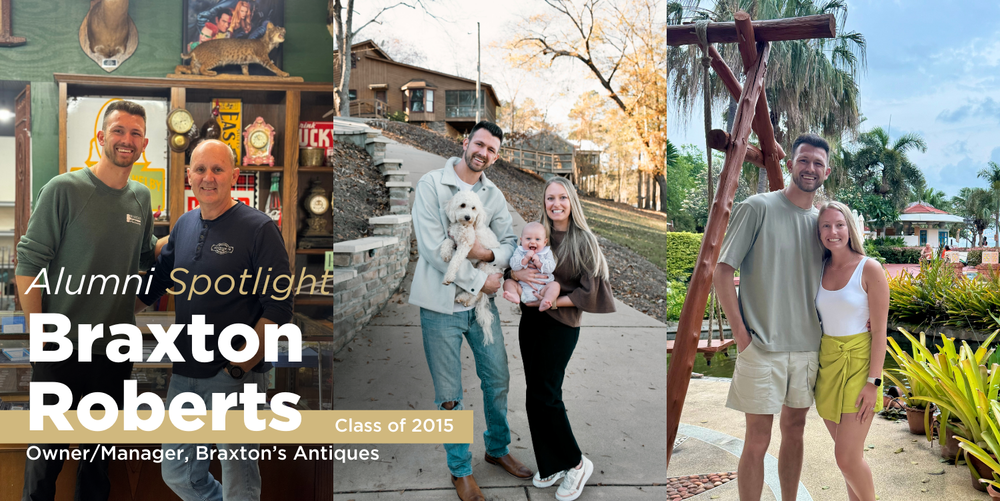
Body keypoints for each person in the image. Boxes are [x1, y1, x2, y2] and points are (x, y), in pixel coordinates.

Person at [15, 100, 158, 501]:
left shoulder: (141, 197)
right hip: (61, 350)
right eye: (118, 130)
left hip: (113, 354)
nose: (126, 139)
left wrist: (195, 231)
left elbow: (145, 257)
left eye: (135, 133)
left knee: (98, 466)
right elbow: (29, 264)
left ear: (144, 143)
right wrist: (41, 336)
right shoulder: (64, 189)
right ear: (100, 137)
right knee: (45, 463)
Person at [135, 140, 292, 501]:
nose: (208, 177)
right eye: (201, 169)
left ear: (234, 176)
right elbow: (155, 285)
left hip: (235, 377)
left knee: (240, 481)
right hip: (185, 374)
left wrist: (238, 367)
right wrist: (107, 312)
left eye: (218, 169)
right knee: (178, 472)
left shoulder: (259, 228)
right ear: (189, 175)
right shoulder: (184, 225)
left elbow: (279, 307)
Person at [409, 121, 525, 501]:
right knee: (449, 394)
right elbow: (432, 248)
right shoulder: (431, 184)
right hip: (439, 306)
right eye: (480, 144)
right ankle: (460, 470)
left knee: (497, 379)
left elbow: (510, 243)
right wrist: (479, 280)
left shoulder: (494, 196)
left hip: (481, 309)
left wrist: (485, 254)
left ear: (495, 157)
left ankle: (497, 449)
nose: (483, 153)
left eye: (491, 150)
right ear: (465, 143)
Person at [714, 133, 831, 501]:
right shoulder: (757, 207)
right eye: (804, 160)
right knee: (757, 439)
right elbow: (722, 271)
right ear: (790, 163)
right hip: (761, 347)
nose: (810, 168)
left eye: (818, 163)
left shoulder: (824, 225)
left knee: (795, 431)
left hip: (808, 347)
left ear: (826, 172)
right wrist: (741, 336)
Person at [511, 176, 615, 501]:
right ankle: (552, 463)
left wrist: (554, 301)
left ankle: (576, 463)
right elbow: (511, 266)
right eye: (550, 198)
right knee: (534, 395)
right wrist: (515, 274)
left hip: (560, 326)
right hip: (531, 321)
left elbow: (592, 290)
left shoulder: (583, 240)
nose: (555, 204)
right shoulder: (536, 235)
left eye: (562, 198)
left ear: (572, 202)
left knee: (547, 395)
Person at [813, 201, 888, 501]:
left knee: (846, 457)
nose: (833, 232)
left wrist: (874, 382)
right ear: (819, 232)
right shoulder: (818, 269)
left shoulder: (869, 268)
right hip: (828, 364)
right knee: (849, 460)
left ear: (850, 228)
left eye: (839, 225)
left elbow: (880, 331)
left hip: (859, 366)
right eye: (826, 226)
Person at [502, 221, 559, 311]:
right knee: (508, 282)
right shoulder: (520, 251)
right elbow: (513, 265)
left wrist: (539, 263)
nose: (532, 242)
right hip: (523, 289)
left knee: (555, 286)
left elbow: (551, 268)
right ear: (521, 240)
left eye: (537, 239)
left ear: (545, 242)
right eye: (528, 238)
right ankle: (514, 295)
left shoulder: (547, 252)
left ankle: (546, 300)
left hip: (543, 289)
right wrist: (525, 259)